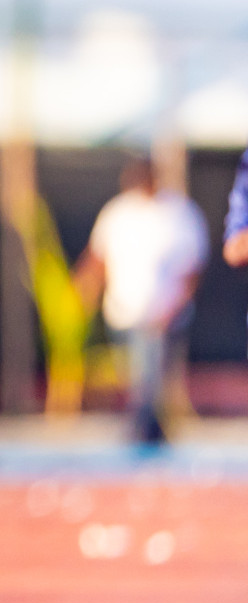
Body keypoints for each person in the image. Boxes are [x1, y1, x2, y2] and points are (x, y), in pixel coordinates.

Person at [75, 158, 206, 444]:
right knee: (137, 374)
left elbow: (191, 268)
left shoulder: (178, 214)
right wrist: (85, 287)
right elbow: (98, 255)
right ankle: (147, 430)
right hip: (124, 311)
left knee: (152, 374)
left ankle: (145, 431)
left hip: (164, 313)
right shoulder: (118, 212)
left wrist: (175, 306)